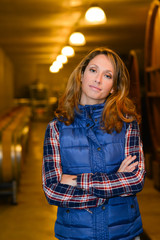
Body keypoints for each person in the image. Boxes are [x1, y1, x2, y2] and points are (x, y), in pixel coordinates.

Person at [42, 48, 146, 240]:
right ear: (81, 75)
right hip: (75, 235)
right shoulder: (56, 129)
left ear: (114, 87)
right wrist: (115, 184)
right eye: (93, 70)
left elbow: (135, 180)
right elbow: (52, 191)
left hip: (124, 234)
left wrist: (76, 181)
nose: (98, 79)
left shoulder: (127, 124)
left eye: (107, 75)